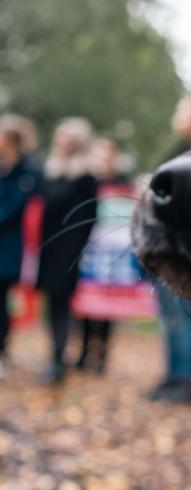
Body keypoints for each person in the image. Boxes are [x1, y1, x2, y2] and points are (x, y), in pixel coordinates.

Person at [148, 96, 191, 403]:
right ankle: (172, 376)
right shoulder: (180, 151)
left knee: (184, 314)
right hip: (167, 247)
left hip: (189, 251)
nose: (177, 116)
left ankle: (186, 380)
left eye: (182, 111)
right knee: (170, 315)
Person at [37, 118, 98, 384]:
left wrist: (75, 250)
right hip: (48, 248)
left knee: (63, 303)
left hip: (69, 250)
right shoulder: (51, 171)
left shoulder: (86, 177)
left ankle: (59, 358)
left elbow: (87, 218)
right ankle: (55, 353)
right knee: (52, 303)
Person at [75, 137, 125, 373]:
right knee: (86, 300)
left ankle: (102, 354)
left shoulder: (122, 182)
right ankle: (84, 350)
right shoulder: (85, 179)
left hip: (112, 252)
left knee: (107, 305)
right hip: (89, 248)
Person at [0, 119, 39, 379]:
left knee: (2, 301)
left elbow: (15, 209)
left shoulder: (28, 173)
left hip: (10, 248)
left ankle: (2, 350)